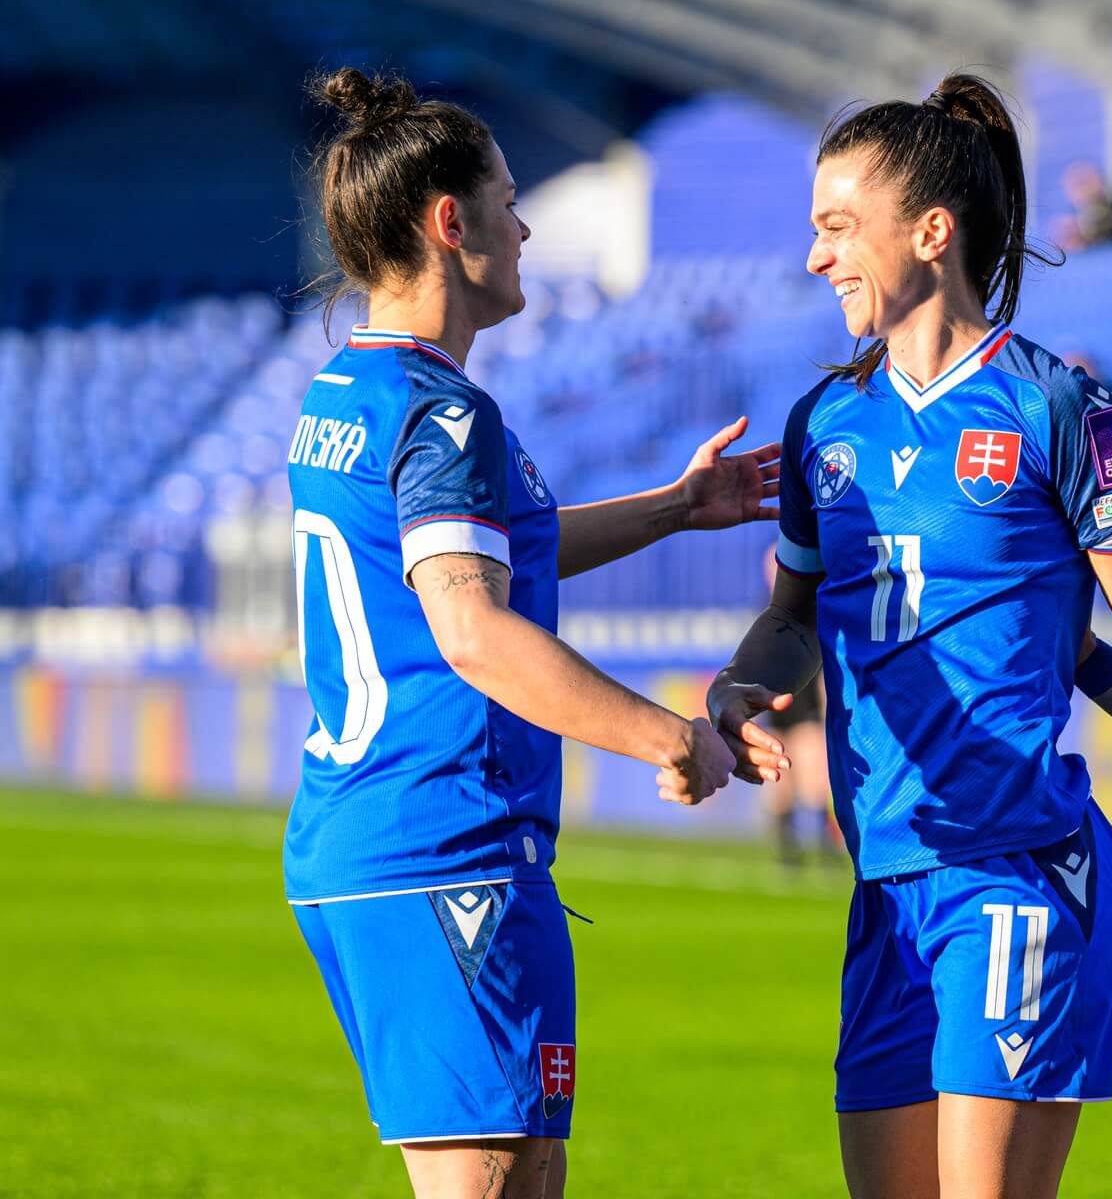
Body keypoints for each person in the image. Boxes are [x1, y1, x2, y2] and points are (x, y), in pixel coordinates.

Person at [706, 74, 1112, 1199]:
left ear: (931, 233)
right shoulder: (824, 422)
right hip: (886, 881)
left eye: (838, 227)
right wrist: (740, 684)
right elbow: (791, 620)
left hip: (1015, 870)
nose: (817, 257)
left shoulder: (1062, 408)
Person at [285, 68, 760, 1198]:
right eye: (509, 199)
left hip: (378, 843)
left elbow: (493, 554)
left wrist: (675, 508)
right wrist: (667, 736)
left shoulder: (349, 393)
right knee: (497, 1173)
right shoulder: (444, 414)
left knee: (530, 1169)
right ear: (452, 223)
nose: (526, 226)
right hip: (444, 847)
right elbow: (474, 630)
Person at [760, 544, 837, 864]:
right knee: (780, 766)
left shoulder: (811, 609)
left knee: (810, 765)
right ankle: (789, 843)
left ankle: (820, 841)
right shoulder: (770, 613)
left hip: (799, 691)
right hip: (774, 691)